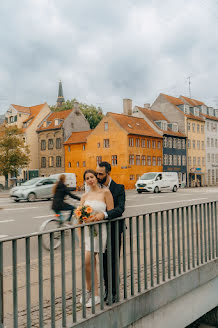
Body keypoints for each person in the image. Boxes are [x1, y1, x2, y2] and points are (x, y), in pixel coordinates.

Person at [79, 169, 114, 307]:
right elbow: (79, 218)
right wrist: (81, 237)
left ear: (96, 178)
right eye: (87, 178)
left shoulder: (105, 192)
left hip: (100, 230)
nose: (90, 179)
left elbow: (110, 212)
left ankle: (95, 294)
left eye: (92, 177)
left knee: (89, 260)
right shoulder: (84, 196)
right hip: (88, 232)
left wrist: (99, 216)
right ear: (85, 181)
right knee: (88, 262)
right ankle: (91, 292)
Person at [94, 162, 126, 304]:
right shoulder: (96, 189)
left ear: (108, 173)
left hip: (113, 229)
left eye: (100, 174)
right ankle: (107, 290)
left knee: (113, 261)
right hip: (100, 232)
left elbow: (120, 209)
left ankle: (114, 292)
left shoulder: (118, 188)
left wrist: (105, 215)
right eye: (97, 174)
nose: (98, 176)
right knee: (103, 263)